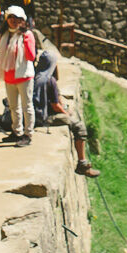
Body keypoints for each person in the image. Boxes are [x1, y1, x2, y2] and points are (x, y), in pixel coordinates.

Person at [33, 47, 99, 176]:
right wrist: (66, 112)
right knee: (79, 127)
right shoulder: (49, 80)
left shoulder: (35, 75)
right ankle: (82, 164)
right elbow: (55, 105)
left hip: (34, 115)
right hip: (45, 117)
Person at [0, 5, 36, 146]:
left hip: (24, 76)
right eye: (11, 17)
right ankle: (16, 131)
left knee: (27, 106)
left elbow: (31, 56)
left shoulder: (27, 35)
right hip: (9, 76)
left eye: (17, 18)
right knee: (13, 106)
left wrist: (25, 40)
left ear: (23, 20)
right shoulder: (5, 35)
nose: (14, 21)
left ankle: (28, 133)